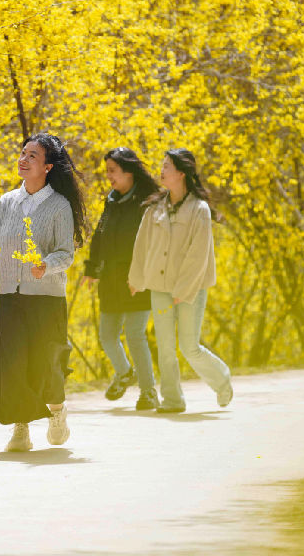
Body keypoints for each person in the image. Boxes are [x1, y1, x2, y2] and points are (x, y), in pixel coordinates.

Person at [0, 133, 87, 452]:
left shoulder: (59, 205)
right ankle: (21, 428)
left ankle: (56, 410)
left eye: (32, 156)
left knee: (45, 364)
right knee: (12, 365)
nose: (23, 159)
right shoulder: (7, 203)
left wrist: (47, 264)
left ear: (48, 167)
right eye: (22, 153)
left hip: (46, 299)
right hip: (9, 297)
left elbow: (66, 253)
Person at [128, 148, 232, 413]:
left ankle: (222, 381)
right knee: (164, 346)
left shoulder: (199, 209)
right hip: (160, 287)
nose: (161, 170)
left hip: (191, 288)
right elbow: (142, 245)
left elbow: (199, 254)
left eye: (167, 166)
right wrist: (137, 278)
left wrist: (183, 289)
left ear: (182, 173)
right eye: (162, 165)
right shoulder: (155, 209)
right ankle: (173, 400)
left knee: (189, 346)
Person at [82, 148, 161, 410]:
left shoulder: (148, 202)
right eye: (107, 171)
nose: (108, 177)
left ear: (129, 171)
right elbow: (100, 234)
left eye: (112, 171)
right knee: (107, 335)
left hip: (139, 279)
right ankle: (126, 372)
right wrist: (92, 269)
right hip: (111, 279)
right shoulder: (112, 200)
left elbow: (155, 244)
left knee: (135, 335)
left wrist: (142, 276)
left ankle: (148, 392)